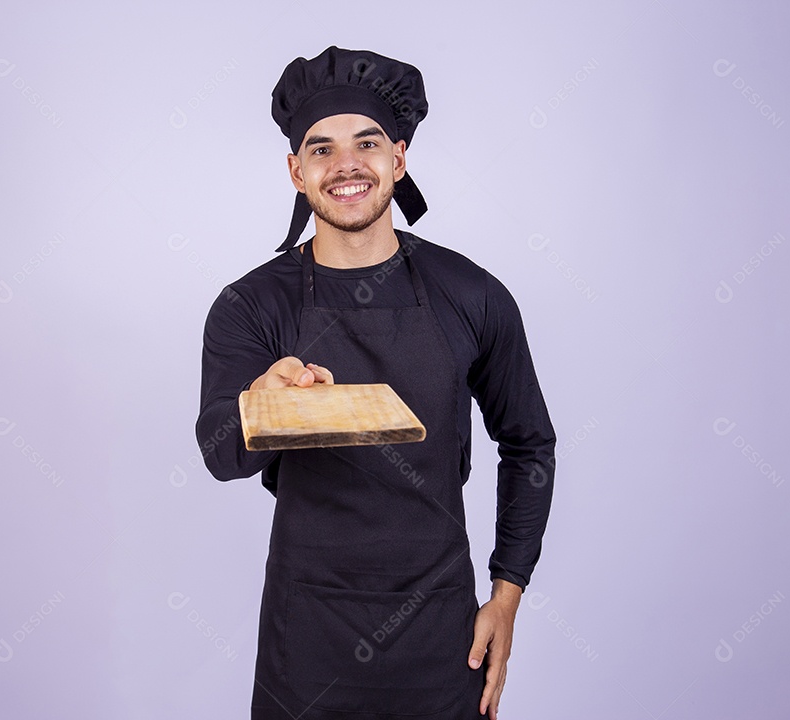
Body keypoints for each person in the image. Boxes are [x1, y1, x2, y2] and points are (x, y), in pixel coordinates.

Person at [196, 46, 556, 720]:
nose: (346, 166)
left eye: (365, 143)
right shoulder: (252, 306)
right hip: (306, 637)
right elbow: (219, 451)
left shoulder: (472, 294)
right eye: (321, 149)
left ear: (398, 156)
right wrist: (259, 406)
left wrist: (506, 596)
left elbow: (530, 443)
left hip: (442, 637)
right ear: (295, 171)